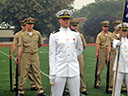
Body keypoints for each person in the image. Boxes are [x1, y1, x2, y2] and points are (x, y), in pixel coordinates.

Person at [49, 9, 83, 96]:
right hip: (59, 69)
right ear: (59, 20)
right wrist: (52, 72)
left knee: (75, 94)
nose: (66, 21)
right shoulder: (54, 35)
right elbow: (52, 54)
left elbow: (80, 48)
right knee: (57, 94)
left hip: (73, 69)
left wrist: (73, 55)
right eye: (64, 19)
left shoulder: (75, 34)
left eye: (68, 19)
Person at [16, 17, 46, 96]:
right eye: (28, 24)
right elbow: (20, 46)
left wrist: (34, 49)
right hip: (26, 55)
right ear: (25, 25)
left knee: (36, 73)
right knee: (23, 73)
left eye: (31, 24)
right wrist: (18, 57)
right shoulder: (22, 35)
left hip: (35, 55)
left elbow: (40, 44)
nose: (30, 25)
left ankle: (40, 90)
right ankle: (21, 91)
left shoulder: (37, 33)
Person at [9, 19, 37, 91]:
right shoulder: (18, 35)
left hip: (29, 55)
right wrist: (11, 54)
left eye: (26, 25)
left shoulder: (32, 33)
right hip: (20, 55)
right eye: (23, 26)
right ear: (21, 26)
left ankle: (33, 85)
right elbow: (14, 45)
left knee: (31, 71)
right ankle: (16, 85)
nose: (25, 27)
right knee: (18, 71)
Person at [112, 23, 128, 96]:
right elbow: (115, 44)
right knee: (116, 87)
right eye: (122, 31)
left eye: (125, 31)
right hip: (119, 67)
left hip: (127, 67)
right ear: (119, 31)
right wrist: (119, 39)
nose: (124, 32)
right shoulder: (116, 40)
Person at [95, 20, 111, 88]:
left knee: (110, 69)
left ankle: (111, 83)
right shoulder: (99, 35)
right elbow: (97, 44)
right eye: (104, 26)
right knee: (99, 70)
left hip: (110, 51)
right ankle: (98, 82)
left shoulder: (111, 34)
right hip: (102, 51)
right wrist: (97, 52)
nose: (106, 28)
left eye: (107, 26)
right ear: (102, 27)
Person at [107, 20, 121, 93]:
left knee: (123, 69)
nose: (118, 27)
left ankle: (123, 86)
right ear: (114, 27)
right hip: (113, 53)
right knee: (112, 70)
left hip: (122, 54)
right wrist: (108, 54)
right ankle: (111, 86)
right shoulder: (111, 35)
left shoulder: (123, 34)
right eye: (116, 26)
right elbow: (109, 45)